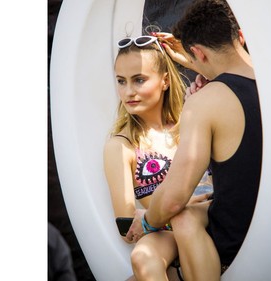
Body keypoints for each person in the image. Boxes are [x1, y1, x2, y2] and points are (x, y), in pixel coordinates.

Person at [127, 0, 263, 280]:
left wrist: (148, 223)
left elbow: (175, 199)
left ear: (198, 53)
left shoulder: (205, 102)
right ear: (241, 35)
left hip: (235, 246)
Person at [103, 35, 211, 281]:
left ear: (164, 81)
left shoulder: (194, 118)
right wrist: (180, 208)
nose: (128, 91)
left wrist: (193, 63)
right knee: (142, 256)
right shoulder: (122, 146)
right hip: (168, 234)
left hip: (217, 217)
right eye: (121, 81)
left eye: (139, 80)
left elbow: (241, 90)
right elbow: (127, 230)